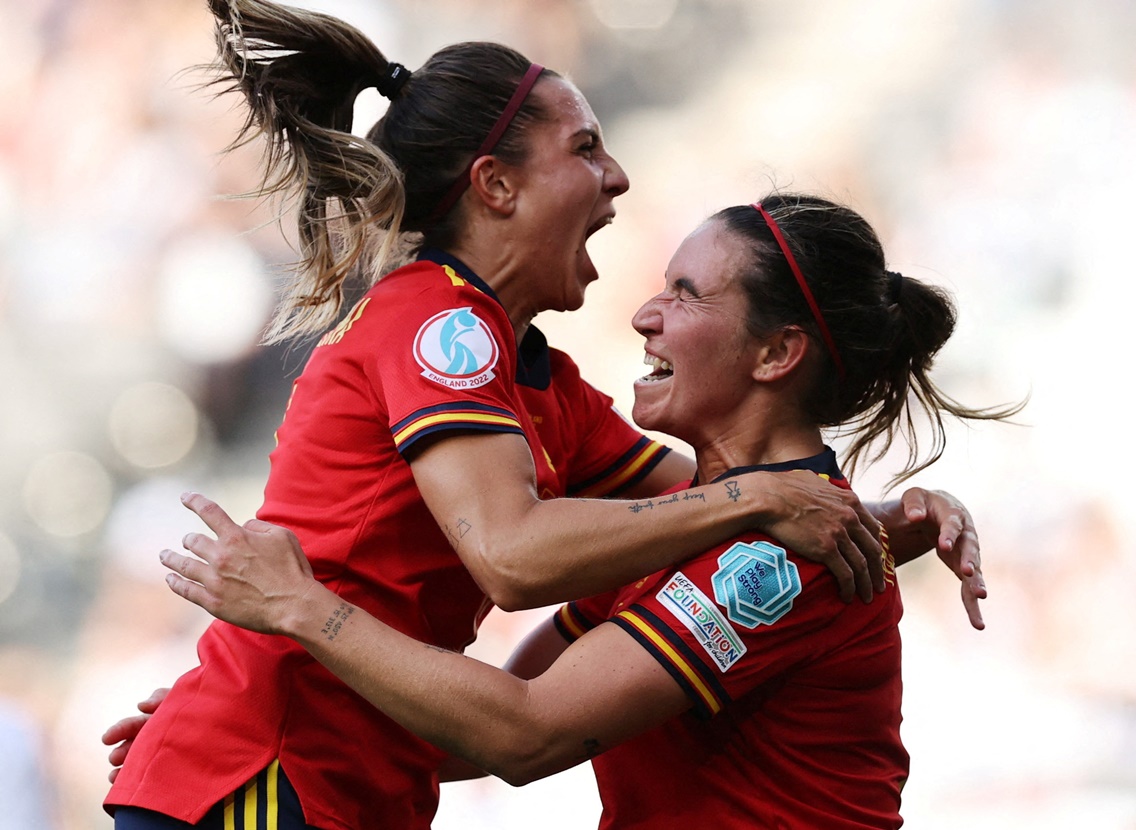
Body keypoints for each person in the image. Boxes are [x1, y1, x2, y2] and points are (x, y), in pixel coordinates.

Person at [103, 1, 985, 828]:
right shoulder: (444, 325)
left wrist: (887, 519)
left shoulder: (553, 396)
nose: (618, 177)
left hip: (338, 777)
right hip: (275, 771)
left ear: (776, 352)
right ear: (495, 186)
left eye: (685, 292)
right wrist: (249, 677)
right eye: (587, 148)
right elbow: (521, 558)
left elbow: (720, 508)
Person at [156, 193, 1019, 829]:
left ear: (777, 353)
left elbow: (523, 734)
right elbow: (469, 727)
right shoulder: (691, 525)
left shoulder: (772, 559)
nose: (645, 313)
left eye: (685, 293)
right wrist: (247, 703)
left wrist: (305, 611)